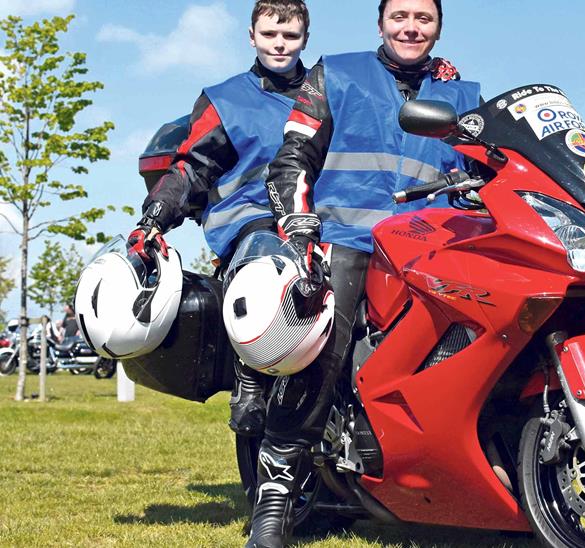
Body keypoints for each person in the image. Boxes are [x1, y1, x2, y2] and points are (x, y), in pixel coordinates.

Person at [245, 1, 481, 545]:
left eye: (423, 18)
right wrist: (301, 229)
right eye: (400, 16)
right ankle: (274, 504)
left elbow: (488, 171)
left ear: (438, 28)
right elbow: (290, 160)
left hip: (433, 250)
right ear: (381, 23)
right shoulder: (338, 73)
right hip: (347, 240)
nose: (411, 27)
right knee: (321, 353)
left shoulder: (464, 95)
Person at [126, 0, 312, 437]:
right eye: (270, 34)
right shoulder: (226, 99)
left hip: (320, 219)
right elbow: (191, 168)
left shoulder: (329, 92)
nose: (280, 44)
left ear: (305, 39)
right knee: (268, 256)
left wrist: (434, 75)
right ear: (252, 36)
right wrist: (155, 216)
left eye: (290, 35)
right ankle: (250, 373)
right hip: (253, 221)